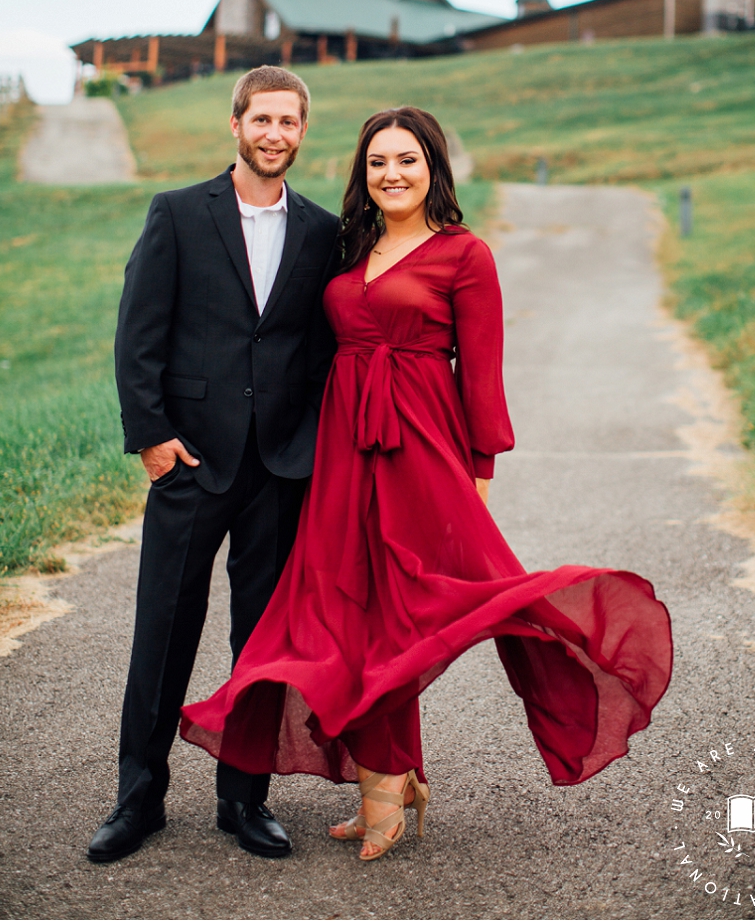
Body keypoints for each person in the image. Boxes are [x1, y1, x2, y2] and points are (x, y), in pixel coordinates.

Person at [180, 107, 673, 862]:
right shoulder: (350, 247)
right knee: (350, 612)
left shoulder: (464, 255)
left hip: (421, 451)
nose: (392, 174)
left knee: (415, 610)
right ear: (364, 173)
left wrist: (479, 472)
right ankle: (393, 775)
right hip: (343, 453)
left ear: (433, 168)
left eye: (406, 160)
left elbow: (481, 373)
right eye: (378, 162)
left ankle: (389, 780)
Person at [87, 66, 339, 864]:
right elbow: (139, 334)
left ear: (303, 131)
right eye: (261, 118)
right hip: (191, 461)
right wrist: (151, 437)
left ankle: (243, 798)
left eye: (289, 122)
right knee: (162, 630)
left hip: (278, 470)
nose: (275, 134)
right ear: (236, 124)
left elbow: (322, 347)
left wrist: (310, 445)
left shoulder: (322, 231)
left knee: (262, 640)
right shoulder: (178, 214)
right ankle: (139, 796)